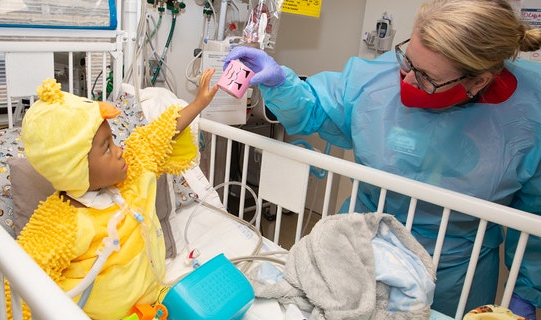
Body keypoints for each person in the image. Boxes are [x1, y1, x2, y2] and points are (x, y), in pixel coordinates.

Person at [224, 0, 541, 318]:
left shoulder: (529, 115)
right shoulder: (376, 79)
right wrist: (281, 83)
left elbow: (535, 214)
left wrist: (526, 293)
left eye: (427, 78)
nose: (407, 80)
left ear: (479, 81)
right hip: (359, 243)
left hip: (452, 271)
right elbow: (315, 108)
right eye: (407, 60)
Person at [4, 69, 218, 320]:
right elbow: (19, 290)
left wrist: (198, 104)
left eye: (113, 140)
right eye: (107, 148)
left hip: (153, 304)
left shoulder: (131, 174)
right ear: (76, 167)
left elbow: (157, 136)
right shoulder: (59, 224)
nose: (119, 151)